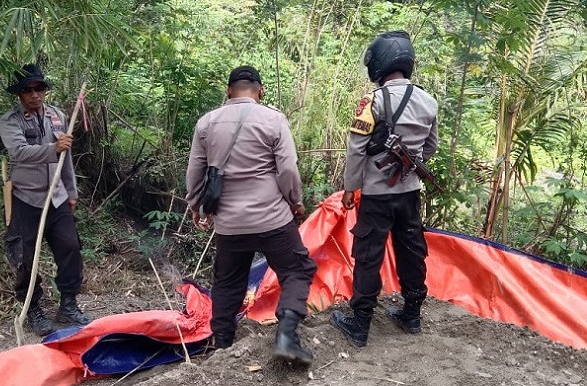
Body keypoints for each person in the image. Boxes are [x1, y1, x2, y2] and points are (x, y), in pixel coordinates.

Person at [185, 65, 317, 364]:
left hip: (230, 224)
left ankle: (222, 346)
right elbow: (287, 169)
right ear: (260, 91)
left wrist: (196, 206)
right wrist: (295, 202)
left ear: (229, 91)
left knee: (228, 282)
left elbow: (195, 172)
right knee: (298, 269)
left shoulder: (207, 123)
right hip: (272, 218)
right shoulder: (273, 118)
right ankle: (286, 335)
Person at [330, 30, 439, 347]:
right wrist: (408, 166)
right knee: (411, 250)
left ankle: (360, 323)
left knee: (368, 255)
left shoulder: (373, 102)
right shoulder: (428, 100)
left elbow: (356, 148)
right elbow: (430, 147)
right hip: (410, 193)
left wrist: (351, 187)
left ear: (378, 65)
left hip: (377, 195)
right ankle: (412, 314)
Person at [0, 63, 91, 336]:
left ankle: (69, 303)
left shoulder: (57, 116)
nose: (34, 94)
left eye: (38, 88)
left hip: (57, 197)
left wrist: (71, 192)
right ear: (19, 94)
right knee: (27, 257)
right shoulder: (11, 121)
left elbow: (66, 158)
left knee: (70, 247)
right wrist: (53, 148)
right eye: (28, 90)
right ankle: (33, 309)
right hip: (26, 199)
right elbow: (18, 152)